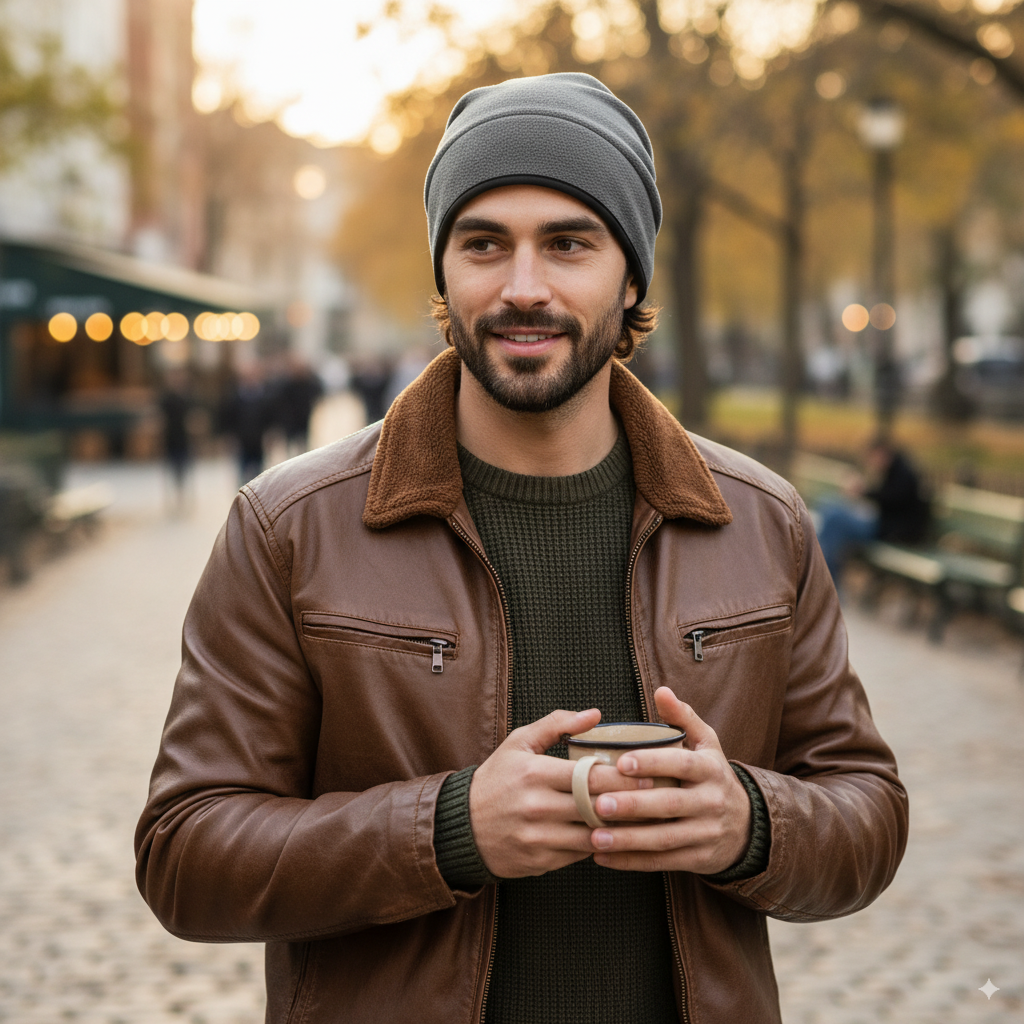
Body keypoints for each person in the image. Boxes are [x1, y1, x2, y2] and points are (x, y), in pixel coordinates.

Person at [136, 74, 907, 1024]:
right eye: (484, 243)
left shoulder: (760, 521)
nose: (524, 287)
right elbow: (185, 854)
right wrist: (448, 830)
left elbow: (869, 812)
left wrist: (750, 822)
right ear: (444, 272)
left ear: (632, 277)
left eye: (569, 243)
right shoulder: (290, 526)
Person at [816, 437, 931, 584]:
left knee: (833, 517)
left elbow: (891, 500)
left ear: (881, 454)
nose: (871, 463)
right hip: (884, 527)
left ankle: (824, 579)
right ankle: (825, 579)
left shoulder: (904, 474)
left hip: (891, 532)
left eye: (871, 457)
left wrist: (863, 492)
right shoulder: (896, 470)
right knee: (831, 515)